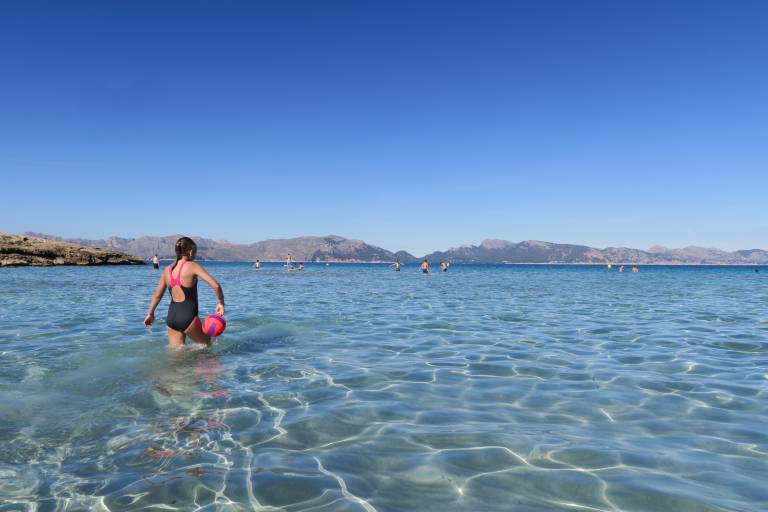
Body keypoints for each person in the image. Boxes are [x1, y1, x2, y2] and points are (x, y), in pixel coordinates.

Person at [144, 237, 225, 348]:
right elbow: (216, 285)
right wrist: (221, 302)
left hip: (172, 318)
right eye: (195, 253)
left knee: (176, 354)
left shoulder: (167, 270)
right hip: (188, 317)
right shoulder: (192, 266)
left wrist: (150, 313)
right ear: (190, 252)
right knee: (207, 347)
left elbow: (157, 296)